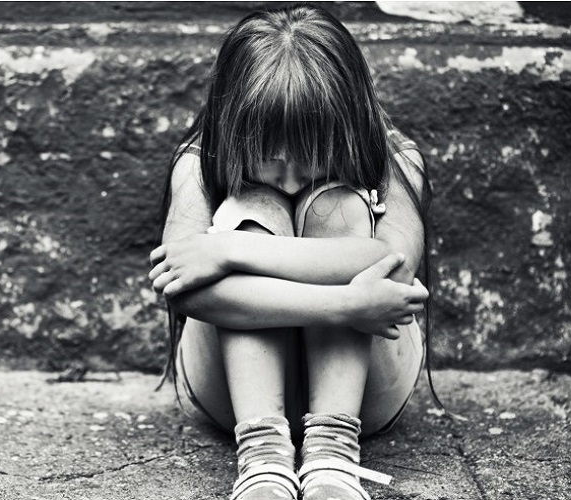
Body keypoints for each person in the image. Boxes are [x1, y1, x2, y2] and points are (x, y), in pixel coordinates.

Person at [148, 4, 433, 500]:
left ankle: (333, 458)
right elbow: (184, 290)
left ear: (348, 126)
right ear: (233, 130)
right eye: (270, 159)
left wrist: (230, 250)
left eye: (311, 158)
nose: (292, 179)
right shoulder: (197, 162)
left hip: (367, 395)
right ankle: (262, 459)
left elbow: (392, 267)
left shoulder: (396, 159)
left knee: (336, 204)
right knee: (251, 204)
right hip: (231, 398)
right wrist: (346, 304)